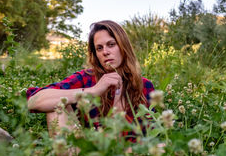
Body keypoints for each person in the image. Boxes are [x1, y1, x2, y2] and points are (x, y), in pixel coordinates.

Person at [26, 20, 155, 139]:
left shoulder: (144, 86)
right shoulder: (86, 78)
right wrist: (92, 91)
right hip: (83, 155)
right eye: (99, 48)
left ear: (123, 47)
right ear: (96, 54)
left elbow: (150, 136)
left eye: (111, 44)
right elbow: (33, 101)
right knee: (56, 105)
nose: (105, 52)